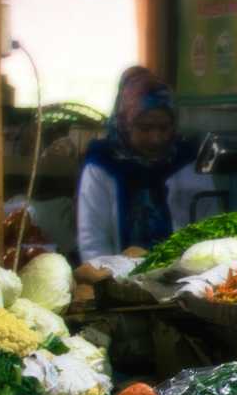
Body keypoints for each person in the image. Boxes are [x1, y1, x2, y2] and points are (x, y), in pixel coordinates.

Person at [76, 68, 214, 262]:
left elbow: (210, 226)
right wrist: (109, 282)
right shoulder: (103, 165)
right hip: (117, 284)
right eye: (145, 128)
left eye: (164, 127)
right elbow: (93, 241)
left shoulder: (187, 162)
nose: (156, 138)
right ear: (125, 123)